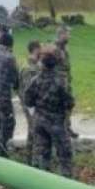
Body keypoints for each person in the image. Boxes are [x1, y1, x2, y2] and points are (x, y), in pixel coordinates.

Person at [25, 45, 75, 177]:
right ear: (56, 62)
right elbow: (69, 102)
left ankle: (43, 184)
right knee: (64, 154)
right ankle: (66, 183)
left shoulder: (35, 80)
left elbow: (28, 100)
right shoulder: (61, 81)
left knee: (42, 153)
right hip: (56, 122)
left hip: (39, 121)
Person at [18, 40, 41, 165]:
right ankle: (31, 160)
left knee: (34, 130)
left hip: (32, 105)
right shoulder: (29, 68)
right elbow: (27, 91)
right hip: (31, 106)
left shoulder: (34, 65)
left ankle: (33, 159)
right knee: (33, 131)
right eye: (40, 48)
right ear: (35, 49)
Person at [54, 25, 78, 139]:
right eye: (67, 33)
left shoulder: (64, 49)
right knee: (61, 107)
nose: (69, 36)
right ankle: (62, 129)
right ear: (61, 35)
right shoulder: (56, 49)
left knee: (69, 105)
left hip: (66, 82)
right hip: (59, 84)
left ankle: (67, 127)